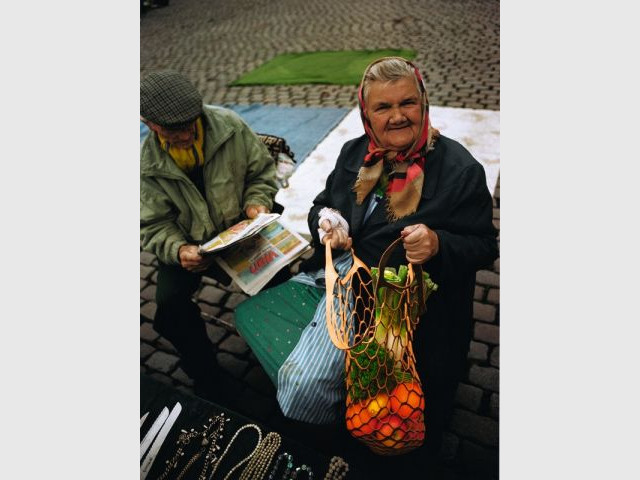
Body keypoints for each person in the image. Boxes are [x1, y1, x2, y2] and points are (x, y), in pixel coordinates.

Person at [235, 57, 498, 472]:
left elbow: (485, 245)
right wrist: (328, 223)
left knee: (410, 423)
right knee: (310, 385)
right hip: (350, 284)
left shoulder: (459, 169)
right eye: (383, 107)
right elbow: (324, 205)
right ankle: (334, 442)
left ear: (424, 102)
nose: (397, 117)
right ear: (365, 112)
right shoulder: (355, 152)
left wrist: (439, 245)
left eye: (407, 103)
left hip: (418, 314)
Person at [140, 70, 279, 398]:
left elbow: (261, 172)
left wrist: (257, 203)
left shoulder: (229, 125)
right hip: (193, 245)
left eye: (192, 123)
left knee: (279, 281)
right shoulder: (145, 165)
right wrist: (178, 250)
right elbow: (153, 225)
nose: (188, 134)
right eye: (176, 130)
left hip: (241, 228)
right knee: (169, 305)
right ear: (149, 123)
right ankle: (205, 372)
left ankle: (284, 357)